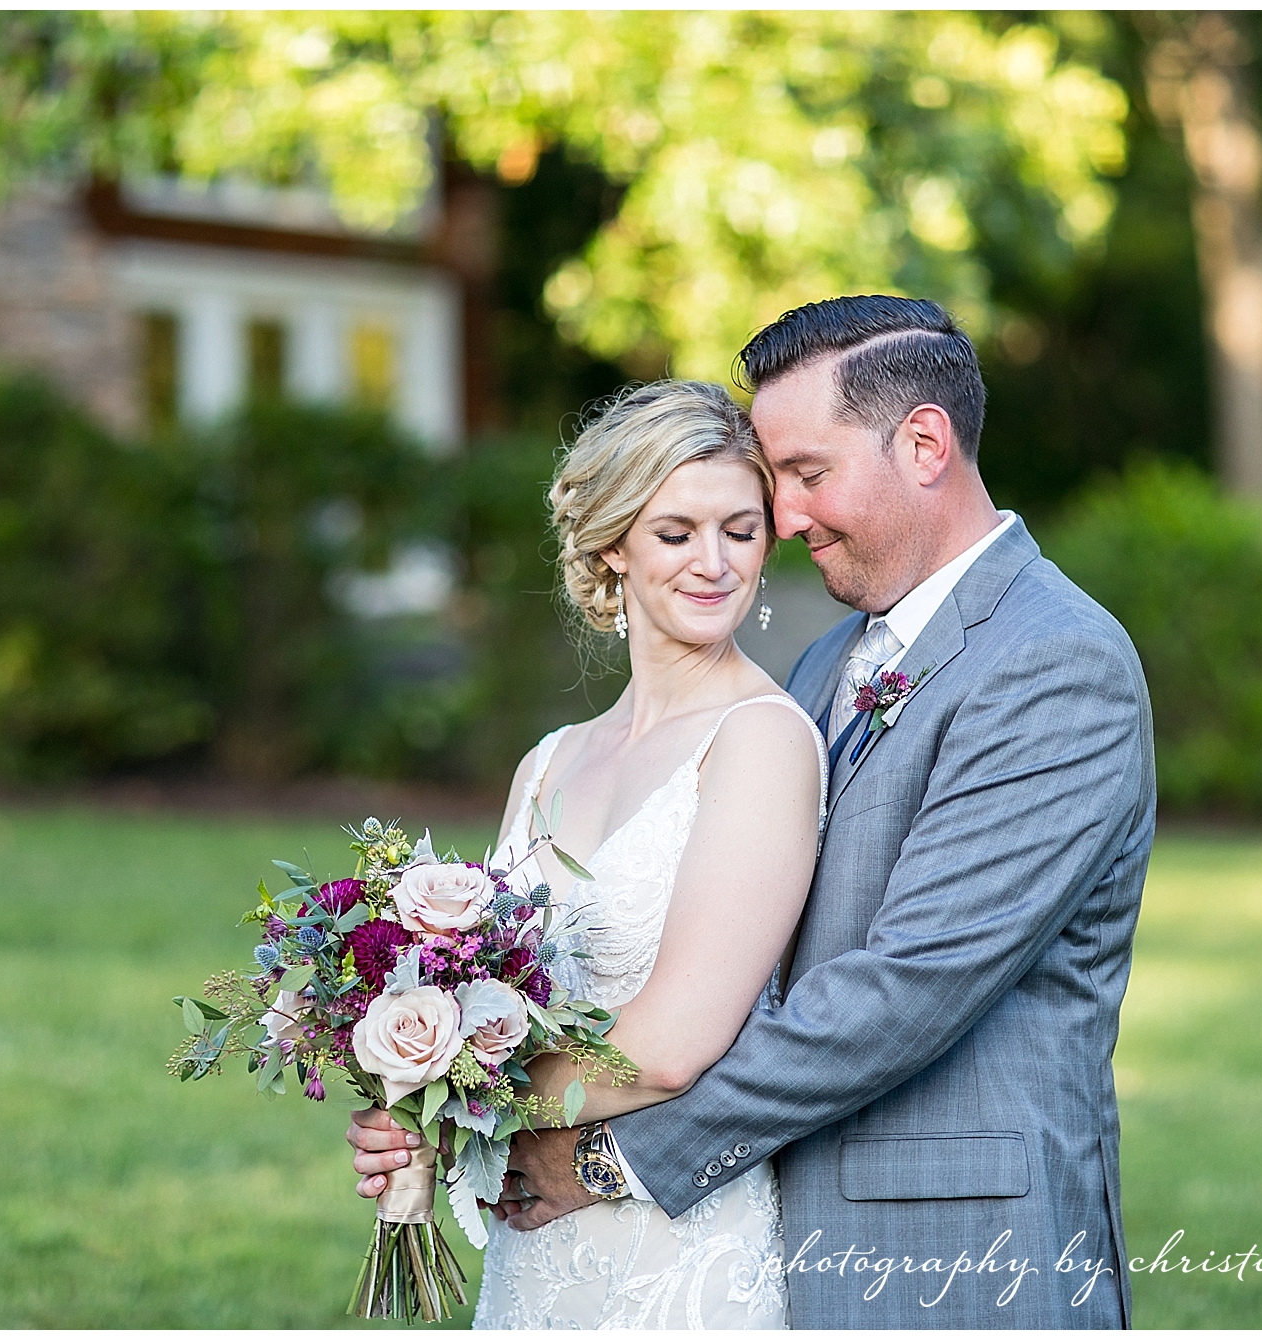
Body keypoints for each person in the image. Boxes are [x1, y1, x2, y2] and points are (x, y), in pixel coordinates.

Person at [354, 296, 1155, 1328]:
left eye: (805, 475)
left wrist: (599, 1153)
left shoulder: (1054, 661)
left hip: (951, 1243)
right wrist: (434, 1089)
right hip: (770, 1214)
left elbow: (903, 988)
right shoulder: (825, 661)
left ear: (923, 443)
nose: (780, 521)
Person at [367, 378, 827, 1326]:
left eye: (741, 532)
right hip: (533, 1244)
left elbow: (669, 1049)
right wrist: (410, 1108)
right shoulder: (548, 763)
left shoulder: (760, 742)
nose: (715, 563)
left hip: (675, 1245)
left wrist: (464, 1107)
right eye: (676, 533)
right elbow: (479, 998)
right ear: (614, 544)